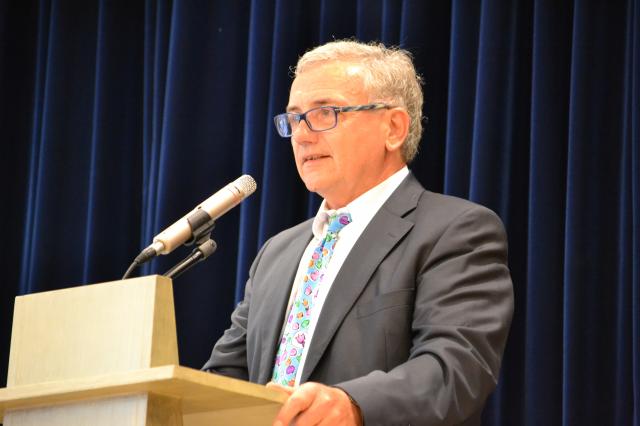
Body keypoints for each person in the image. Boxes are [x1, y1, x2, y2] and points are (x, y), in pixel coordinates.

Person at [203, 39, 513, 426]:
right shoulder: (276, 253)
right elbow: (224, 379)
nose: (302, 135)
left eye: (325, 113)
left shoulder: (456, 231)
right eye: (294, 119)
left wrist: (355, 404)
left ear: (393, 128)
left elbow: (455, 370)